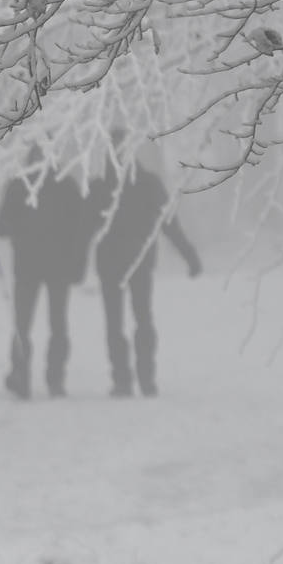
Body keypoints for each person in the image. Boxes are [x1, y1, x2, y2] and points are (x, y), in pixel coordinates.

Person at [90, 156, 202, 397]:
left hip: (115, 264)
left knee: (118, 322)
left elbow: (82, 228)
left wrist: (189, 255)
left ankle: (125, 379)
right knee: (138, 319)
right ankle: (143, 379)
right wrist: (189, 255)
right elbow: (169, 223)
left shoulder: (102, 186)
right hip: (136, 261)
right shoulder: (146, 183)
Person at [0, 154, 101, 399]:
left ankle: (21, 375)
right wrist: (78, 263)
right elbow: (80, 228)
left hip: (27, 265)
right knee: (58, 323)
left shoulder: (19, 186)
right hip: (59, 267)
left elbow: (6, 225)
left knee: (22, 324)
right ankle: (56, 378)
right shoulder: (67, 186)